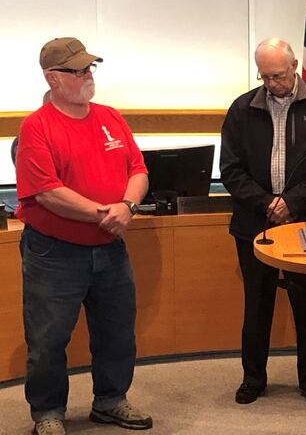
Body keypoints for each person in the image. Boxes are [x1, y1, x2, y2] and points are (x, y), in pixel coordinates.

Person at [15, 37, 152, 435]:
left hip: (110, 247)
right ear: (53, 79)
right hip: (53, 252)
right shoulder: (37, 126)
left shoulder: (111, 116)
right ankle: (47, 412)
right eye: (78, 70)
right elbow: (47, 191)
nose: (89, 75)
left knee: (116, 331)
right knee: (48, 338)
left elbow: (138, 169)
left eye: (90, 68)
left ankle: (110, 401)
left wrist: (125, 207)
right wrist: (103, 214)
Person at [220, 37, 306, 406]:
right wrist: (266, 204)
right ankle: (253, 378)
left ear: (293, 67)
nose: (271, 83)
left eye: (277, 75)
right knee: (257, 304)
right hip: (255, 223)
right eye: (264, 76)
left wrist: (291, 202)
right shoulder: (242, 109)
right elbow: (230, 169)